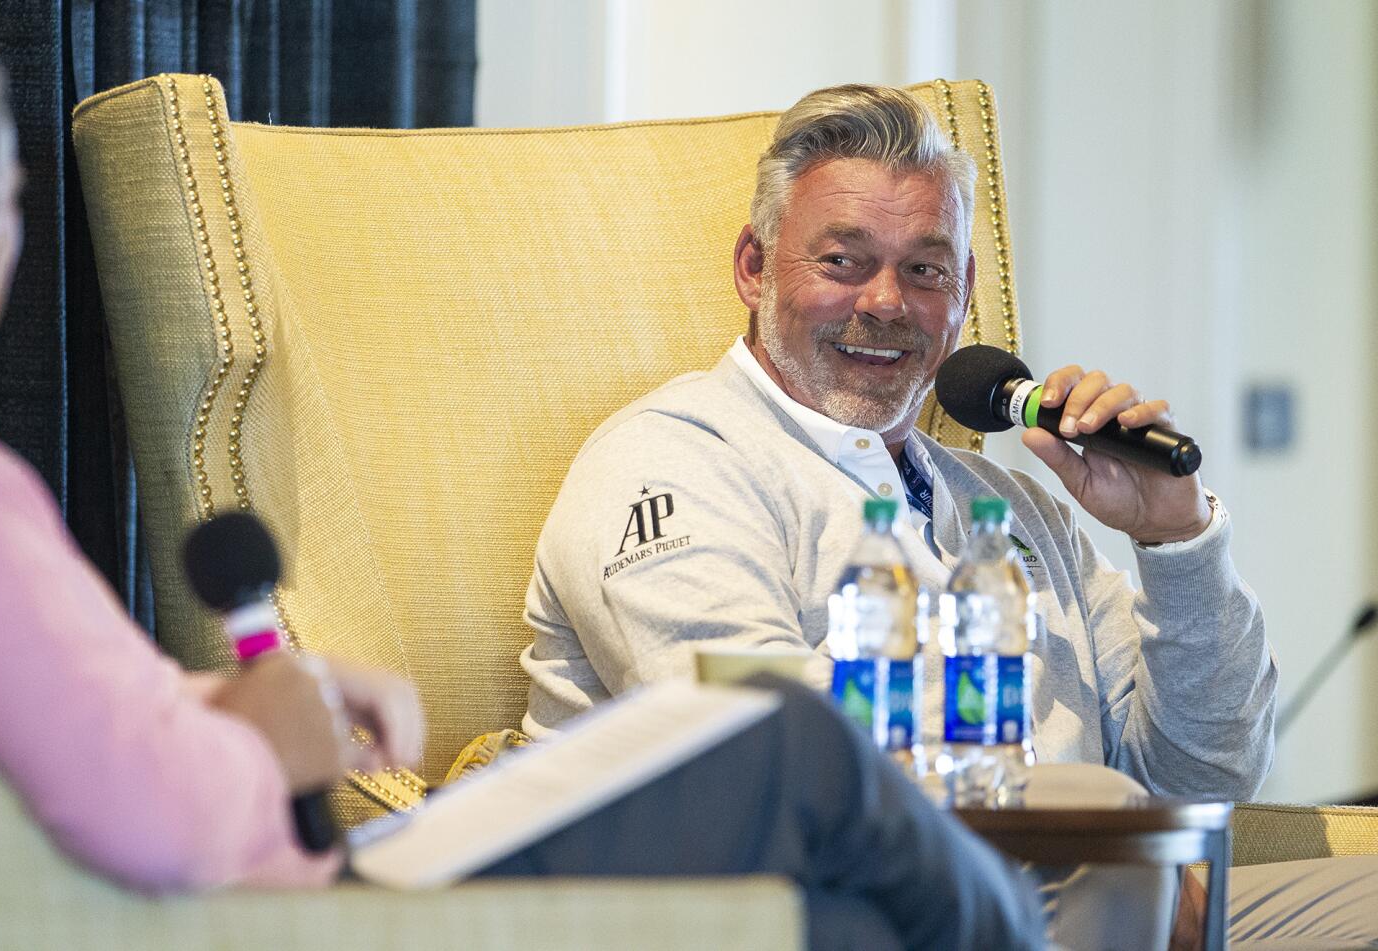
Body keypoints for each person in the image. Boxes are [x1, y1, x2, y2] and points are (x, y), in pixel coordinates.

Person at [0, 25, 1045, 950]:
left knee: (841, 918)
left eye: (924, 268)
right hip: (334, 908)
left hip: (339, 880)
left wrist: (210, 702)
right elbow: (149, 816)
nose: (886, 302)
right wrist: (262, 742)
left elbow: (80, 745)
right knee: (782, 732)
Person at [520, 82, 1378, 949]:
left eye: (924, 269)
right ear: (753, 264)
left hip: (1101, 893)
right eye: (843, 261)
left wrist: (1176, 537)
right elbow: (773, 755)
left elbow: (1209, 774)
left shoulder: (1010, 503)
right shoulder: (669, 461)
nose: (886, 302)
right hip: (835, 913)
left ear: (964, 291)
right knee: (1094, 822)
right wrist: (1106, 838)